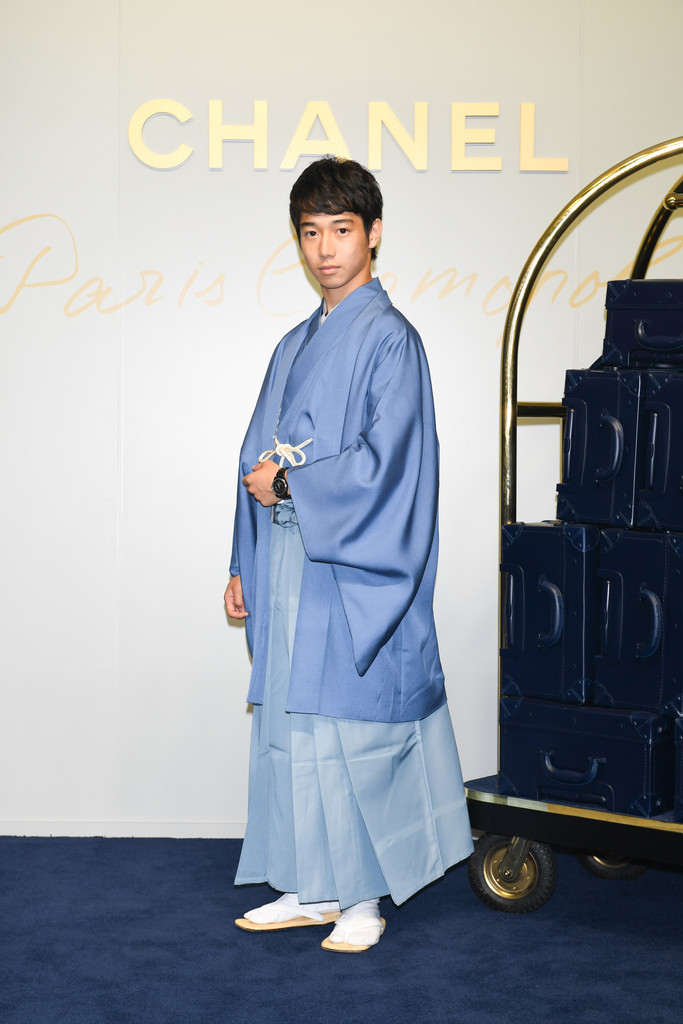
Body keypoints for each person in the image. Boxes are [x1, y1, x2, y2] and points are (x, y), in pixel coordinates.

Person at [224, 156, 473, 953]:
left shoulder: (392, 340)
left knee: (349, 732)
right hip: (287, 561)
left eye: (340, 229)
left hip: (352, 564)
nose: (325, 248)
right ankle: (309, 884)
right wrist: (241, 561)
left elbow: (390, 465)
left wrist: (293, 485)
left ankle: (361, 897)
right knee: (292, 725)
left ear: (373, 234)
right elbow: (253, 456)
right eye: (310, 232)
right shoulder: (293, 343)